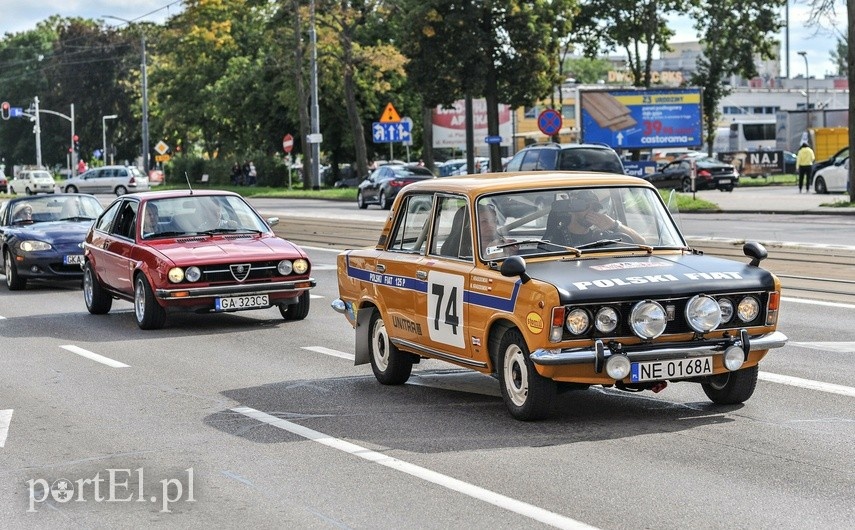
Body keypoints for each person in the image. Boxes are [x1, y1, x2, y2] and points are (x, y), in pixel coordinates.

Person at [550, 190, 644, 247]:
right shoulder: (556, 238)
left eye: (595, 208)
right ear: (572, 210)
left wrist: (615, 225)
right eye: (585, 206)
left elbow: (642, 243)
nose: (591, 211)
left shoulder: (601, 236)